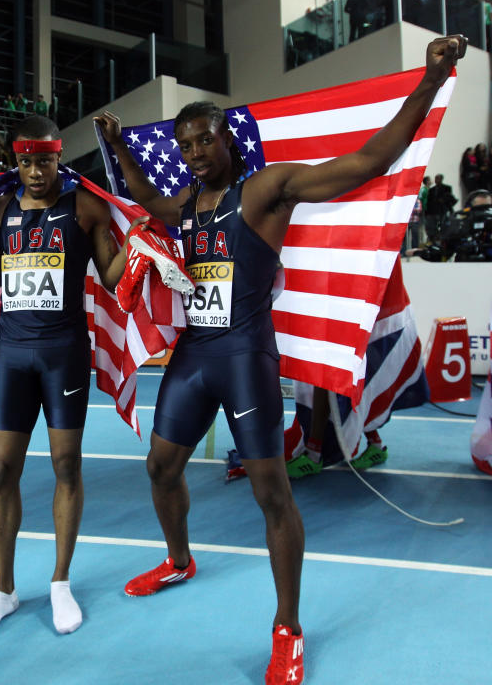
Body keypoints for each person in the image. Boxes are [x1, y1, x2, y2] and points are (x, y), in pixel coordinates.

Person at [93, 35, 465, 685]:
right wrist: (120, 144)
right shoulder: (184, 206)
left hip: (243, 355)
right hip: (194, 354)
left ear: (227, 139)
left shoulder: (266, 190)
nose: (194, 153)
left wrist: (430, 82)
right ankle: (179, 560)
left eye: (204, 140)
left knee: (272, 491)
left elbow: (371, 160)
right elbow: (142, 196)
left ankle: (288, 627)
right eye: (185, 145)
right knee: (160, 467)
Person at [0, 115, 135, 643]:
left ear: (60, 157)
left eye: (45, 161)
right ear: (16, 161)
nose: (35, 171)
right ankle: (3, 591)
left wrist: (139, 241)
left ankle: (60, 581)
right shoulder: (3, 208)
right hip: (12, 355)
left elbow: (108, 274)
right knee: (1, 468)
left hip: (63, 354)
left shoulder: (84, 207)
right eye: (26, 161)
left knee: (65, 465)